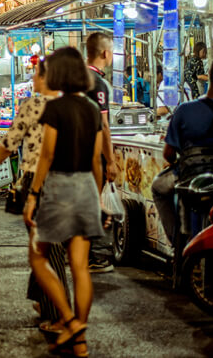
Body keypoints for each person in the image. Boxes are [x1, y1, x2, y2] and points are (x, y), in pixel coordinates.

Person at [0, 58, 67, 327]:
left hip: (40, 181)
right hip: (70, 182)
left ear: (47, 78)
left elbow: (8, 145)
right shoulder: (72, 105)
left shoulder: (34, 106)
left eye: (36, 74)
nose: (33, 78)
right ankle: (43, 300)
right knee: (49, 247)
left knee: (47, 251)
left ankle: (59, 314)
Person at [23, 47, 104, 357]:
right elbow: (96, 159)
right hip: (85, 185)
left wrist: (33, 194)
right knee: (80, 267)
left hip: (58, 187)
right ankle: (79, 340)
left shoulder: (54, 109)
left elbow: (47, 154)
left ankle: (70, 320)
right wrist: (97, 196)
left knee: (38, 257)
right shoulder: (92, 110)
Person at [153, 56, 213, 250]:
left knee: (158, 187)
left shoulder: (184, 110)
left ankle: (176, 238)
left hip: (188, 179)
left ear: (208, 76)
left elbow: (168, 154)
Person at [83, 32, 118, 274]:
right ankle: (93, 256)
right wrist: (112, 161)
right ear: (105, 53)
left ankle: (75, 251)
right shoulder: (98, 84)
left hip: (71, 153)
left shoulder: (74, 78)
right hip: (90, 154)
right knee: (93, 202)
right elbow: (104, 125)